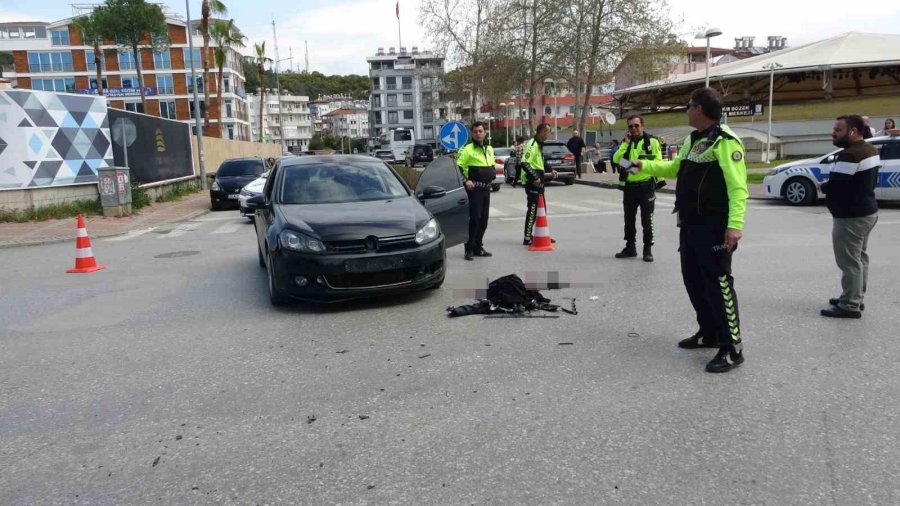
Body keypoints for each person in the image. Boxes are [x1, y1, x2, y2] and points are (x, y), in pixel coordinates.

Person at [631, 87, 749, 374]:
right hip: (691, 223)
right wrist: (643, 165)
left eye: (688, 105)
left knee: (719, 284)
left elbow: (738, 188)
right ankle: (708, 333)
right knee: (693, 280)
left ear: (699, 109)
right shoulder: (694, 139)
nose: (686, 110)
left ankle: (732, 347)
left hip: (715, 226)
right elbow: (675, 169)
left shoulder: (725, 142)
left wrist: (734, 226)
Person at [819, 115, 881, 319]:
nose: (833, 133)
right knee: (860, 258)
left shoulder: (851, 155)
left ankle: (850, 305)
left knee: (849, 261)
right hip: (867, 212)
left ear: (853, 131)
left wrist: (823, 186)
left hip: (851, 217)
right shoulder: (869, 149)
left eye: (838, 130)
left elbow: (838, 185)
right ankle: (855, 296)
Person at [612, 115, 663, 262]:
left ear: (642, 126)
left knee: (647, 220)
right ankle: (630, 247)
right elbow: (616, 159)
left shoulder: (652, 141)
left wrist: (633, 167)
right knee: (629, 219)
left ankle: (647, 249)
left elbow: (658, 163)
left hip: (646, 186)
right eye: (630, 126)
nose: (633, 128)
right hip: (629, 188)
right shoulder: (627, 143)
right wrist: (625, 144)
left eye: (636, 125)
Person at [456, 121, 495, 261]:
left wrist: (492, 173)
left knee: (484, 220)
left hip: (486, 189)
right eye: (475, 131)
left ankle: (478, 247)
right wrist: (466, 180)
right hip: (474, 190)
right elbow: (457, 168)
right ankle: (469, 249)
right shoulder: (467, 149)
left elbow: (491, 165)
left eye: (480, 131)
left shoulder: (489, 149)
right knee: (475, 220)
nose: (478, 133)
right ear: (472, 133)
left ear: (485, 132)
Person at [521, 123, 558, 245]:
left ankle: (542, 233)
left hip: (540, 181)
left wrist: (551, 169)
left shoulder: (539, 144)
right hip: (533, 182)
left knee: (542, 210)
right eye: (548, 132)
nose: (549, 134)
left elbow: (540, 162)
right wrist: (535, 177)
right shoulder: (532, 144)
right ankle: (527, 237)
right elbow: (525, 163)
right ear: (542, 132)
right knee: (532, 210)